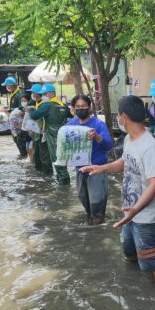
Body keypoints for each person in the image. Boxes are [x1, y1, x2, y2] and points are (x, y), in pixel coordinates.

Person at [81, 95, 155, 288]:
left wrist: (136, 210)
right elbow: (125, 162)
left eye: (119, 116)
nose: (118, 120)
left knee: (152, 259)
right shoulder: (130, 140)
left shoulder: (149, 146)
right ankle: (133, 285)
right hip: (130, 212)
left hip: (145, 215)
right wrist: (101, 168)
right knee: (129, 250)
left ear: (123, 116)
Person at [66, 95, 113, 225]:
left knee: (97, 210)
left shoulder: (98, 124)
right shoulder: (70, 125)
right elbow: (65, 148)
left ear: (89, 107)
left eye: (83, 106)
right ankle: (92, 234)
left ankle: (98, 233)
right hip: (80, 170)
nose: (81, 109)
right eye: (78, 107)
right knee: (86, 206)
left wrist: (97, 137)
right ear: (74, 109)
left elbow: (109, 145)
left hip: (97, 170)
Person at [28, 83, 72, 183]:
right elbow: (71, 115)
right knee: (62, 158)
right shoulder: (62, 104)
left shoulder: (48, 104)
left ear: (51, 94)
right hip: (63, 134)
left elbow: (35, 116)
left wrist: (30, 109)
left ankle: (63, 186)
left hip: (53, 134)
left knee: (56, 158)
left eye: (44, 94)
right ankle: (63, 182)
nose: (42, 96)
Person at [2, 76, 28, 157]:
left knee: (20, 139)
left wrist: (9, 110)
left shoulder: (19, 94)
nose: (6, 87)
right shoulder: (13, 94)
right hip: (14, 121)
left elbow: (21, 107)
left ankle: (24, 155)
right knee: (15, 138)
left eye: (7, 86)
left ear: (11, 85)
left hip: (19, 121)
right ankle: (22, 155)